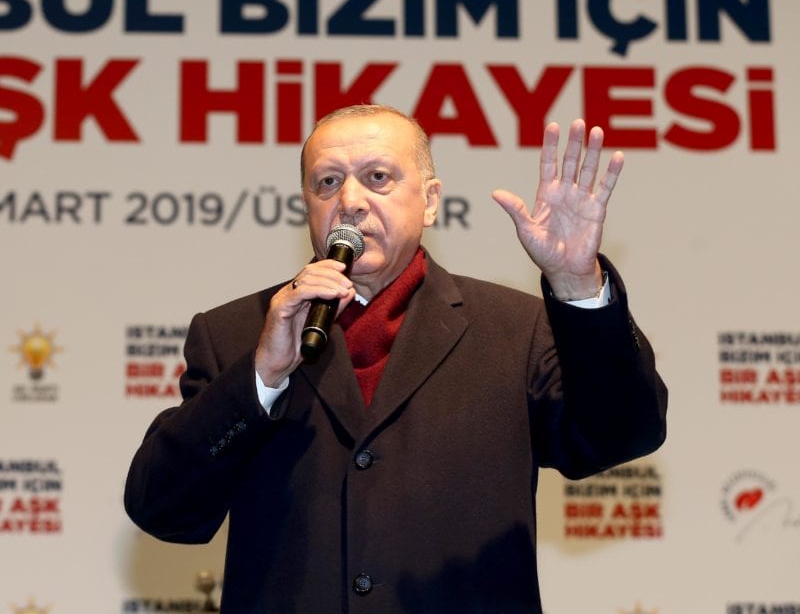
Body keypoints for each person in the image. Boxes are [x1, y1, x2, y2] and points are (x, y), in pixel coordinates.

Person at [124, 105, 667, 613]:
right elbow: (163, 509)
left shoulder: (515, 328)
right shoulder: (238, 333)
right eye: (327, 182)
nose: (351, 200)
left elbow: (622, 434)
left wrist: (576, 283)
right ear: (307, 205)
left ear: (430, 200)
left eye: (378, 178)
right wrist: (261, 376)